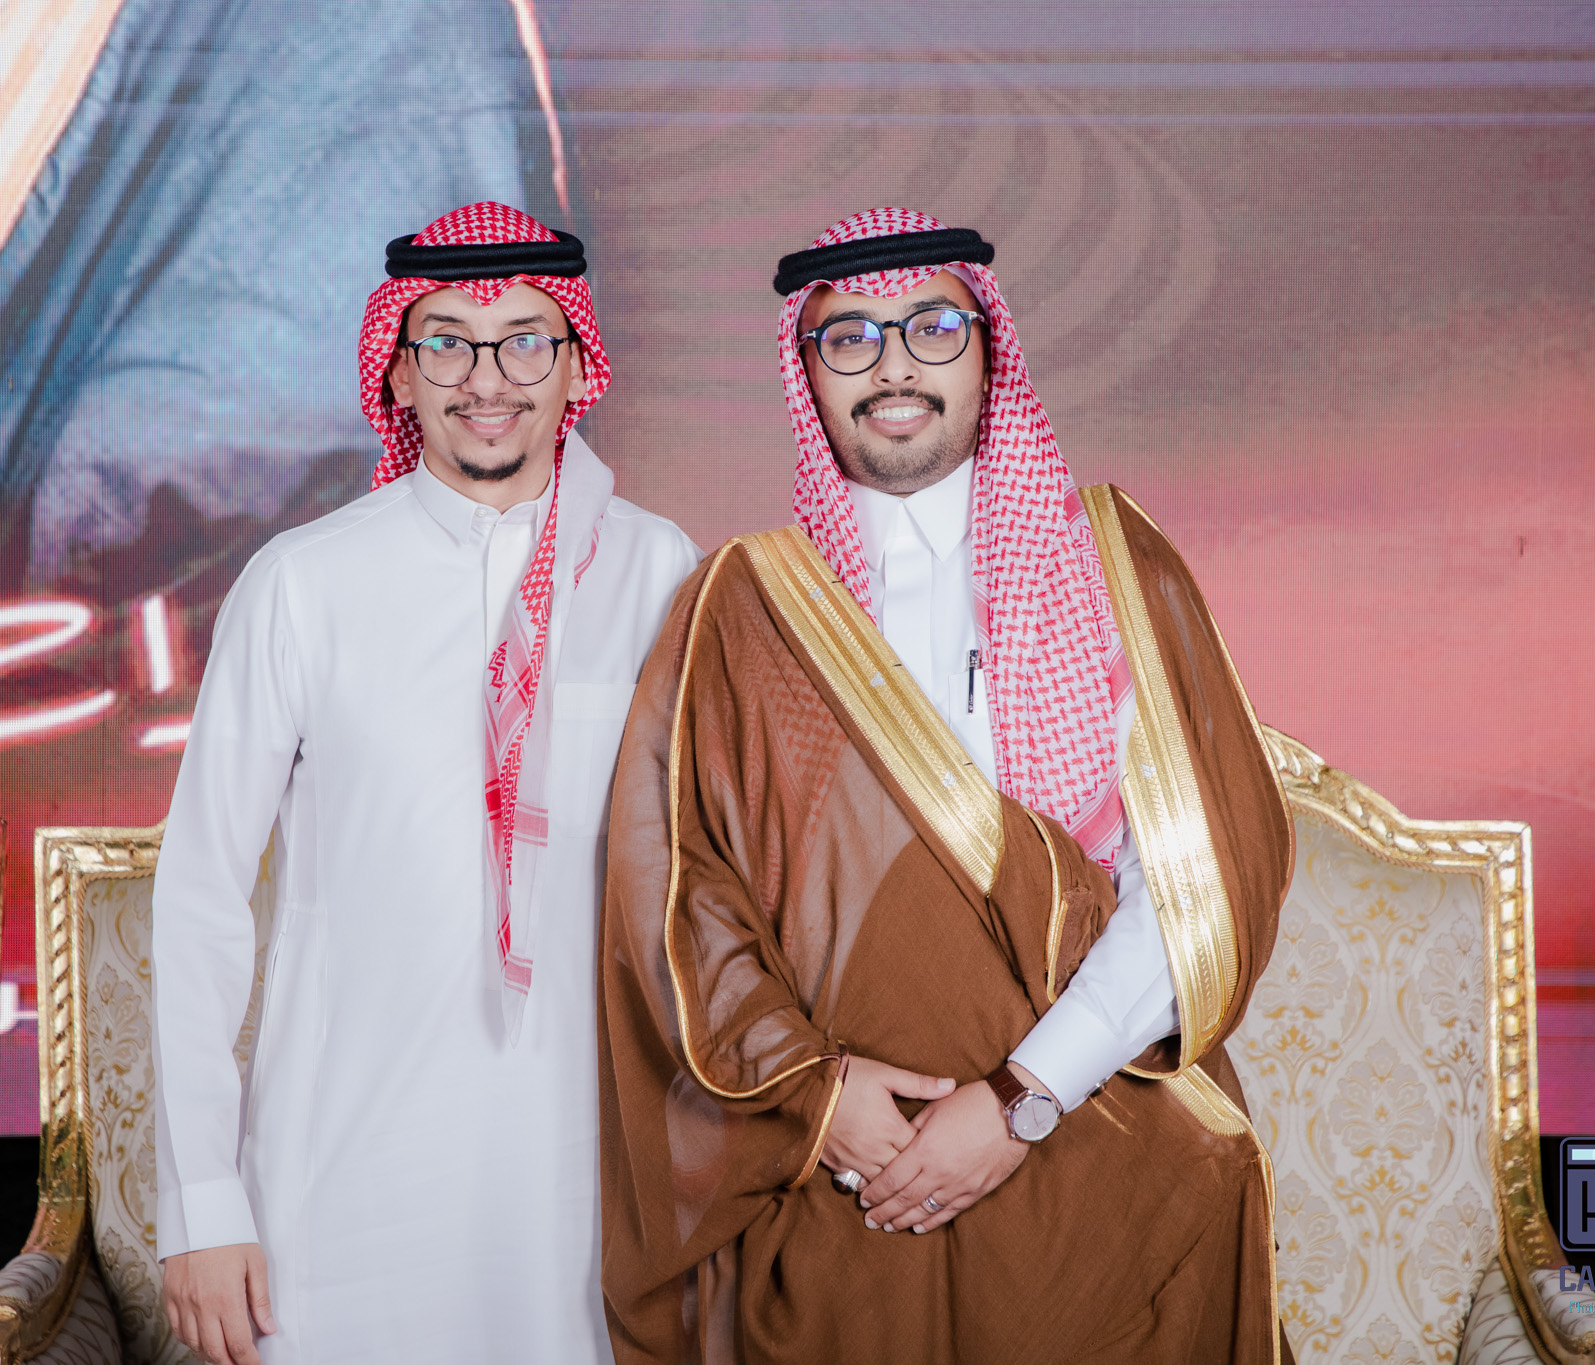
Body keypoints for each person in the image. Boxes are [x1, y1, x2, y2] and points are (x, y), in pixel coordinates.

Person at [597, 208, 1296, 1363]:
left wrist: (1023, 1100)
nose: (893, 366)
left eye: (930, 327)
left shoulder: (1113, 566)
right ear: (806, 371)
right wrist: (818, 1102)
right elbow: (679, 890)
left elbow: (1197, 880)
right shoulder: (743, 605)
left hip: (1098, 1152)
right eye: (849, 337)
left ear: (986, 350)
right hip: (850, 1183)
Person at [152, 202, 699, 1365]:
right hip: (341, 1178)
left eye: (524, 342)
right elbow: (199, 898)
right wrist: (202, 1201)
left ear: (575, 368)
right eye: (446, 342)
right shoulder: (302, 583)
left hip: (582, 1180)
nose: (484, 380)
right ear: (397, 371)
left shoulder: (658, 569)